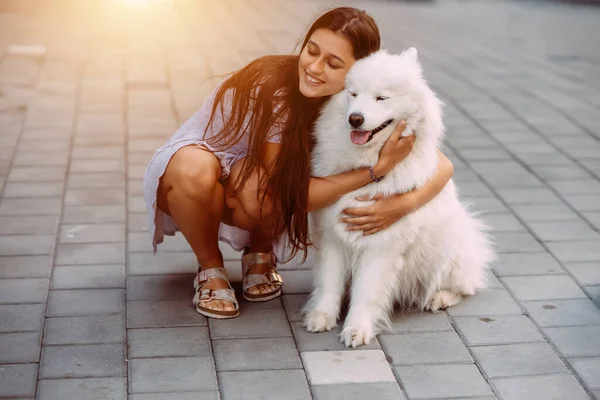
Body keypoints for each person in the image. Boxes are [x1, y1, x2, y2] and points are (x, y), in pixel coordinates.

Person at [143, 7, 454, 319]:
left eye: (333, 64)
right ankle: (210, 269)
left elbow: (441, 165)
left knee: (260, 192)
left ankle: (260, 251)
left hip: (255, 178)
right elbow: (293, 194)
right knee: (204, 173)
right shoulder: (277, 89)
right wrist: (375, 172)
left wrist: (402, 205)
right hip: (201, 167)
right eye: (311, 51)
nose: (315, 68)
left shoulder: (360, 102)